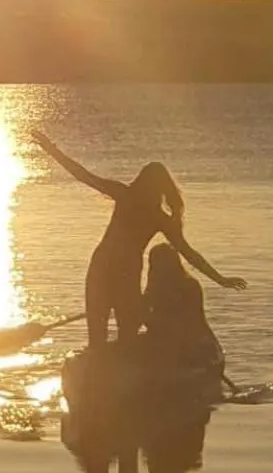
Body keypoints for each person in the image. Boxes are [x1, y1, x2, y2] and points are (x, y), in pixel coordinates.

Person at [31, 130, 246, 346]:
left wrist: (52, 149)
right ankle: (107, 367)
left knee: (109, 336)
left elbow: (83, 175)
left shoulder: (132, 200)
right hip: (116, 271)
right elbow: (189, 254)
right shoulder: (148, 211)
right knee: (122, 336)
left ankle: (111, 366)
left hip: (110, 269)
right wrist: (220, 279)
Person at [143, 242, 223, 369]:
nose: (161, 267)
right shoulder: (153, 288)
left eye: (164, 263)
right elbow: (144, 314)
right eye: (158, 263)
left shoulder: (190, 285)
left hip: (189, 337)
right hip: (162, 337)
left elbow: (196, 320)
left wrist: (201, 342)